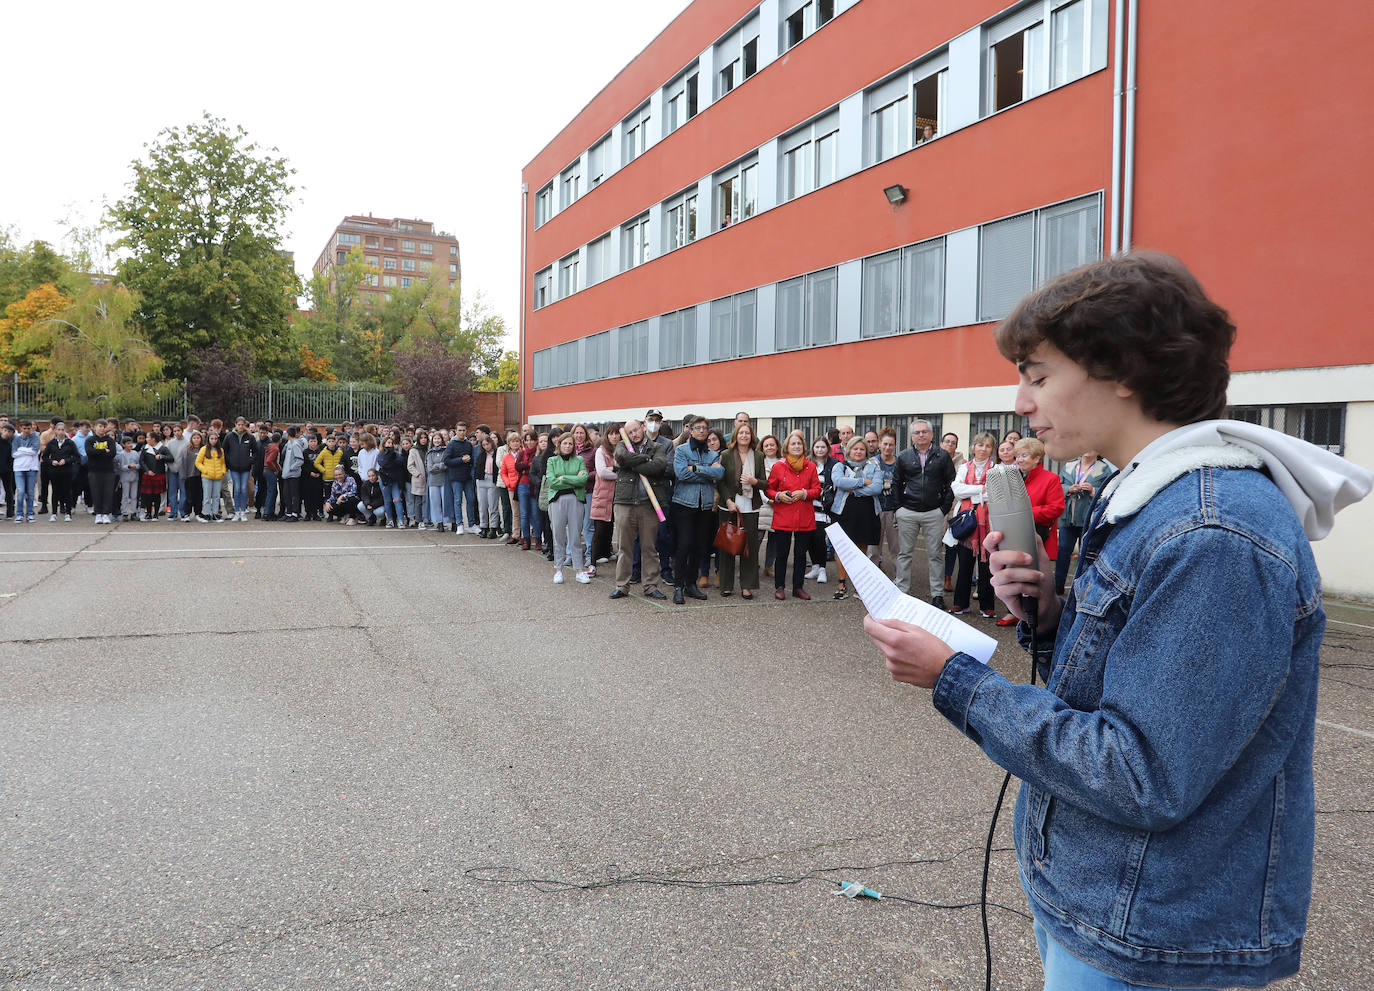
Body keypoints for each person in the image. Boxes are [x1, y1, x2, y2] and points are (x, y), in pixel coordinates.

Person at [865, 251, 1374, 990]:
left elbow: (1139, 773)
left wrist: (956, 680)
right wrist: (1046, 610)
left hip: (1150, 933)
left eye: (1038, 375)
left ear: (1125, 370)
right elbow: (1128, 684)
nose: (1020, 402)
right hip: (1105, 902)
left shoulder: (1213, 532)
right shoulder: (1150, 494)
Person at [992, 436, 1066, 627]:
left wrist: (1024, 514)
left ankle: (1033, 612)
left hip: (1038, 533)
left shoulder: (1051, 478)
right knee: (1012, 569)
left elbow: (1056, 508)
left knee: (1033, 574)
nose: (1019, 459)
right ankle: (1015, 610)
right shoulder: (1015, 478)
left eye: (1024, 455)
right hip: (1013, 531)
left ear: (1037, 458)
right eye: (1017, 456)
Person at [892, 417, 956, 610]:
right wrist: (898, 509)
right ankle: (901, 591)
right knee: (905, 554)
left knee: (935, 554)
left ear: (931, 434)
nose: (921, 435)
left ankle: (937, 594)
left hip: (933, 513)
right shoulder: (903, 456)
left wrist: (943, 509)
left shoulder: (942, 456)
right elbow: (896, 483)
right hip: (908, 512)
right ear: (912, 436)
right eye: (917, 432)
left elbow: (951, 483)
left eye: (924, 432)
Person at [609, 419, 669, 601]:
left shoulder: (657, 447)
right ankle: (621, 585)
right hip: (624, 503)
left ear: (643, 427)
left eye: (636, 430)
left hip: (649, 505)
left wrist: (631, 462)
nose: (634, 434)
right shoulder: (621, 444)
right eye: (630, 432)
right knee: (624, 547)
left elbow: (659, 466)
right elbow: (621, 457)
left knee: (649, 548)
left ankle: (650, 586)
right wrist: (643, 459)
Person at [670, 416, 724, 604]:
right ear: (691, 430)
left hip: (705, 506)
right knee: (684, 545)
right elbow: (681, 474)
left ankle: (691, 585)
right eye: (698, 427)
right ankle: (678, 586)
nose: (702, 430)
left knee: (699, 547)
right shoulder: (682, 450)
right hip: (684, 504)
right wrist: (706, 472)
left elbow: (720, 473)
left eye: (704, 428)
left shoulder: (712, 453)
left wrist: (695, 468)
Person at [765, 431, 821, 600]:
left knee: (800, 555)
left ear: (804, 447)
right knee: (781, 554)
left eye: (799, 444)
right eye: (793, 444)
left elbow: (817, 490)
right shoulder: (778, 467)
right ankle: (780, 587)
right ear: (786, 447)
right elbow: (768, 489)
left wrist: (804, 493)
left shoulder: (810, 466)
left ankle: (798, 587)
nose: (796, 446)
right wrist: (777, 496)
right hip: (784, 515)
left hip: (804, 516)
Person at [948, 432, 997, 618]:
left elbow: (994, 494)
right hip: (967, 523)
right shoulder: (964, 467)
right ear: (973, 447)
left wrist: (971, 491)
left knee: (986, 566)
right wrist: (981, 489)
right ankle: (960, 604)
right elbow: (957, 491)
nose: (983, 449)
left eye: (987, 446)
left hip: (989, 523)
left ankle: (987, 605)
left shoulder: (995, 469)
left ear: (992, 449)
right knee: (965, 565)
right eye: (980, 445)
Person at [716, 421, 766, 599]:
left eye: (747, 433)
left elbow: (765, 483)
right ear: (735, 436)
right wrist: (728, 500)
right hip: (729, 505)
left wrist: (754, 482)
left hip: (750, 506)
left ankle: (747, 585)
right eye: (741, 433)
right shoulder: (726, 454)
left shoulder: (759, 456)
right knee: (727, 544)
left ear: (752, 436)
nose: (744, 436)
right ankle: (726, 585)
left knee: (749, 546)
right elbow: (720, 481)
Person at [830, 436, 883, 600]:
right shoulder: (839, 466)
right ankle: (841, 585)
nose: (858, 451)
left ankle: (860, 586)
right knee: (842, 549)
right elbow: (839, 481)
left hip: (866, 513)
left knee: (861, 550)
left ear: (866, 452)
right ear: (849, 450)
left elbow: (877, 487)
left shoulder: (873, 466)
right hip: (844, 512)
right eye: (855, 448)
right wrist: (862, 481)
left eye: (861, 449)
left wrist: (855, 490)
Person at [1055, 448, 1114, 595]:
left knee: (1085, 553)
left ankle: (1081, 589)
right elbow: (1057, 486)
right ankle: (1057, 587)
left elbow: (1109, 490)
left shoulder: (1104, 469)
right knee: (1063, 550)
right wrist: (1069, 488)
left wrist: (1093, 489)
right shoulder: (1069, 466)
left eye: (1092, 447)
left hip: (1088, 517)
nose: (1088, 450)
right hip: (1068, 516)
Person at [545, 432, 591, 584]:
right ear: (559, 444)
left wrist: (564, 478)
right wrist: (574, 478)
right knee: (558, 536)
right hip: (557, 501)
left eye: (570, 444)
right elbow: (552, 482)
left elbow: (583, 479)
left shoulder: (579, 460)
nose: (568, 446)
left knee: (576, 536)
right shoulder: (552, 460)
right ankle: (558, 569)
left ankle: (579, 570)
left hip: (576, 500)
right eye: (565, 443)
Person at [806, 437, 840, 584]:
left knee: (819, 537)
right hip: (808, 506)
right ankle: (814, 566)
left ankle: (822, 569)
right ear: (813, 448)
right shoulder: (807, 463)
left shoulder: (834, 464)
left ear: (827, 448)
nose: (819, 450)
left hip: (824, 508)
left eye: (822, 447)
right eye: (817, 447)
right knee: (809, 538)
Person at [589, 423, 621, 572]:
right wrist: (619, 472)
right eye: (611, 433)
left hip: (619, 495)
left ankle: (608, 553)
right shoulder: (600, 451)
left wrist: (613, 470)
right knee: (599, 529)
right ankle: (592, 563)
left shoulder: (624, 450)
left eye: (617, 433)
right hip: (602, 495)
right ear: (606, 435)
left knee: (613, 527)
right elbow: (601, 472)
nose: (614, 436)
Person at [871, 428, 900, 572]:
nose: (888, 447)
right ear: (879, 444)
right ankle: (872, 581)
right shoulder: (872, 462)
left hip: (894, 511)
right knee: (874, 550)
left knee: (896, 549)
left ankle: (899, 581)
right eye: (885, 444)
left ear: (895, 445)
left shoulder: (900, 463)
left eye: (891, 444)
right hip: (875, 509)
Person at [41, 423, 79, 522]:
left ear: (65, 430)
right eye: (59, 429)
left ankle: (68, 513)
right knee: (55, 492)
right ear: (55, 431)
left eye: (62, 429)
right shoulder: (51, 443)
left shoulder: (70, 443)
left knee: (67, 492)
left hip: (67, 471)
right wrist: (51, 461)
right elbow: (44, 457)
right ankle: (54, 513)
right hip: (55, 472)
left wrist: (66, 461)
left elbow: (76, 457)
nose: (61, 432)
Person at [223, 417, 257, 522]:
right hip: (233, 468)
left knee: (243, 489)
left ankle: (243, 511)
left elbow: (255, 451)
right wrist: (229, 462)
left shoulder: (250, 437)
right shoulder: (229, 436)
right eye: (239, 425)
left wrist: (250, 461)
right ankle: (237, 511)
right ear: (235, 425)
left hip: (246, 468)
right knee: (237, 489)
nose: (241, 427)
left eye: (242, 425)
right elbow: (225, 451)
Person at [757, 433, 782, 578]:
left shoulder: (782, 462)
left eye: (772, 444)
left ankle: (769, 565)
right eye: (766, 445)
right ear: (762, 448)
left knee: (774, 540)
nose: (769, 447)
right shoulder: (759, 462)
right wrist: (768, 500)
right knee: (757, 539)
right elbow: (758, 485)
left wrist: (779, 498)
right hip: (762, 506)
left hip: (779, 506)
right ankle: (752, 565)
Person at [11, 420, 41, 523]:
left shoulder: (36, 437)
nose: (27, 430)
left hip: (32, 468)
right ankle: (19, 514)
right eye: (24, 428)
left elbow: (35, 451)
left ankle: (29, 514)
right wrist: (27, 450)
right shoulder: (16, 438)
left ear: (31, 428)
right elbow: (14, 453)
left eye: (28, 428)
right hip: (19, 468)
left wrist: (21, 450)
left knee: (30, 492)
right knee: (20, 491)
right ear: (20, 428)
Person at [138, 431, 172, 521]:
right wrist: (147, 470)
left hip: (159, 474)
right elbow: (141, 461)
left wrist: (161, 456)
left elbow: (171, 458)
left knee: (157, 495)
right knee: (148, 495)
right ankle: (148, 513)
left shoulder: (162, 448)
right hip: (147, 474)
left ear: (153, 439)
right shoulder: (145, 448)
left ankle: (155, 514)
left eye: (148, 437)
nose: (146, 439)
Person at [514, 431, 539, 549]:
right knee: (524, 514)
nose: (529, 442)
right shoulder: (522, 453)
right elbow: (517, 467)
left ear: (536, 441)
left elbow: (536, 467)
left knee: (535, 514)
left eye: (532, 440)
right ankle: (526, 540)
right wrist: (528, 465)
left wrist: (527, 466)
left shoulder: (538, 453)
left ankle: (538, 539)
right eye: (527, 440)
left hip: (534, 485)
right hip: (523, 485)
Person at [195, 429, 227, 522]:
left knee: (216, 496)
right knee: (207, 496)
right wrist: (205, 470)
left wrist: (223, 471)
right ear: (208, 439)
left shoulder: (220, 450)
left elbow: (223, 463)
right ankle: (207, 513)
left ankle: (216, 514)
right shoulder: (204, 449)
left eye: (215, 439)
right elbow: (198, 462)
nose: (214, 440)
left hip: (218, 476)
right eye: (212, 438)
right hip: (207, 476)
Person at [377, 435, 408, 529]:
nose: (390, 444)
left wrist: (390, 462)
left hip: (395, 480)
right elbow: (383, 463)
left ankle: (401, 520)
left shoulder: (396, 454)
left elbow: (400, 461)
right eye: (388, 443)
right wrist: (390, 462)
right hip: (385, 480)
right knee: (387, 501)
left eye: (391, 443)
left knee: (397, 500)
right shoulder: (381, 454)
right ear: (384, 444)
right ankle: (390, 520)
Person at [473, 433, 501, 538]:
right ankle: (484, 527)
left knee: (493, 505)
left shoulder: (497, 453)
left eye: (487, 444)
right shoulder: (481, 455)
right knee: (482, 505)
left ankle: (494, 528)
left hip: (492, 480)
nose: (486, 446)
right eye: (484, 445)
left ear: (491, 443)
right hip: (482, 480)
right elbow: (476, 467)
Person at [425, 430, 451, 532]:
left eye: (438, 438)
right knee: (435, 502)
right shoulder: (430, 453)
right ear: (432, 440)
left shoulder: (446, 451)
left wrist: (438, 466)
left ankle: (445, 521)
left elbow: (446, 464)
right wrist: (440, 466)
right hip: (433, 481)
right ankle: (439, 522)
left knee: (444, 502)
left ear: (442, 440)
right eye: (435, 438)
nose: (437, 440)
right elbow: (430, 468)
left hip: (444, 480)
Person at [280, 426, 305, 522]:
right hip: (286, 474)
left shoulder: (295, 444)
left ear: (288, 434)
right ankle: (288, 512)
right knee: (287, 494)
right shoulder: (289, 444)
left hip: (293, 474)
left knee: (294, 494)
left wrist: (291, 468)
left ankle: (295, 513)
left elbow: (300, 460)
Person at [500, 432, 521, 544]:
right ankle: (516, 534)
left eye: (517, 441)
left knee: (525, 511)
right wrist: (508, 483)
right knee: (515, 512)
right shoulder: (506, 457)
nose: (515, 443)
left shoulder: (523, 454)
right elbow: (503, 472)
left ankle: (525, 534)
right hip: (512, 487)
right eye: (513, 441)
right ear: (509, 443)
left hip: (523, 485)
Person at [116, 435, 142, 522]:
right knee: (125, 496)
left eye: (131, 443)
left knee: (134, 496)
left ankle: (134, 512)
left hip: (134, 476)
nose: (130, 445)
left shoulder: (135, 453)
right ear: (123, 445)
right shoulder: (121, 454)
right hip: (125, 477)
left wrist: (136, 466)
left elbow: (139, 464)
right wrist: (128, 466)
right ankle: (124, 513)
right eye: (128, 443)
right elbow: (121, 467)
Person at [404, 435, 427, 530]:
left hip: (429, 478)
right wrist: (418, 474)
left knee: (426, 500)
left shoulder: (428, 448)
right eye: (421, 438)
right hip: (419, 478)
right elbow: (410, 466)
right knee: (418, 501)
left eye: (425, 438)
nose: (423, 440)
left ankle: (426, 519)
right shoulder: (413, 450)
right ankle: (419, 520)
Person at [0, 420, 15, 518]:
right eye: (5, 430)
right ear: (2, 430)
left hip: (7, 471)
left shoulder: (11, 444)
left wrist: (9, 468)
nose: (7, 433)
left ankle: (10, 512)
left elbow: (12, 458)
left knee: (9, 490)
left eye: (9, 432)